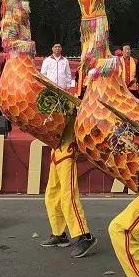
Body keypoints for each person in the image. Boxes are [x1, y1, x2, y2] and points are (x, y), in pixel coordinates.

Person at [39, 42, 97, 259]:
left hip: (68, 147)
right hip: (56, 148)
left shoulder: (93, 82)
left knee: (67, 194)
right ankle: (59, 233)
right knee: (51, 195)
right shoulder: (70, 83)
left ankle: (84, 235)